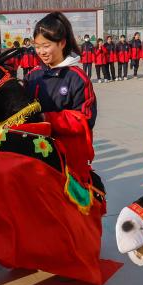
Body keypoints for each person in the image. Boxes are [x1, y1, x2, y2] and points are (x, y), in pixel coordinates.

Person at [24, 12, 97, 178]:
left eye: (46, 45)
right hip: (36, 156)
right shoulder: (32, 76)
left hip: (68, 160)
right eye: (37, 46)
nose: (41, 51)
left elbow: (85, 119)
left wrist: (46, 118)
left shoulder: (76, 77)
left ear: (62, 43)